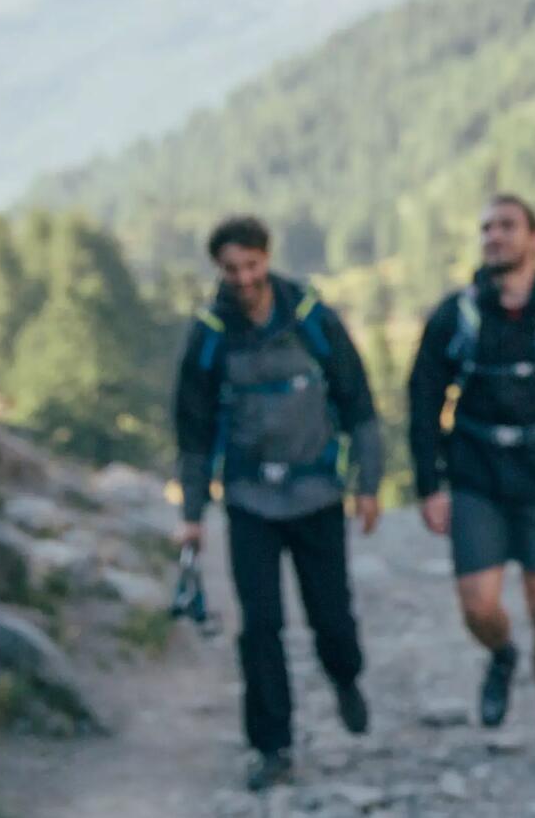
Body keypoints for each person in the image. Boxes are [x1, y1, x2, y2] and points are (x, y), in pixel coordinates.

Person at [172, 214, 384, 793]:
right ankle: (273, 747)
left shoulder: (312, 318)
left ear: (267, 258)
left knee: (331, 618)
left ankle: (345, 678)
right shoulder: (210, 333)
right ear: (219, 269)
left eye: (251, 265)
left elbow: (358, 401)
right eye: (231, 268)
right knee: (259, 628)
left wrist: (369, 484)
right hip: (249, 502)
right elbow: (192, 433)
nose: (242, 278)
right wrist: (191, 516)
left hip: (317, 494)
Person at [409, 194, 535, 761]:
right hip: (474, 476)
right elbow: (424, 398)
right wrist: (428, 485)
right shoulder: (456, 315)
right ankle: (502, 655)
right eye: (486, 228)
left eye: (506, 226)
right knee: (478, 603)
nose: (493, 237)